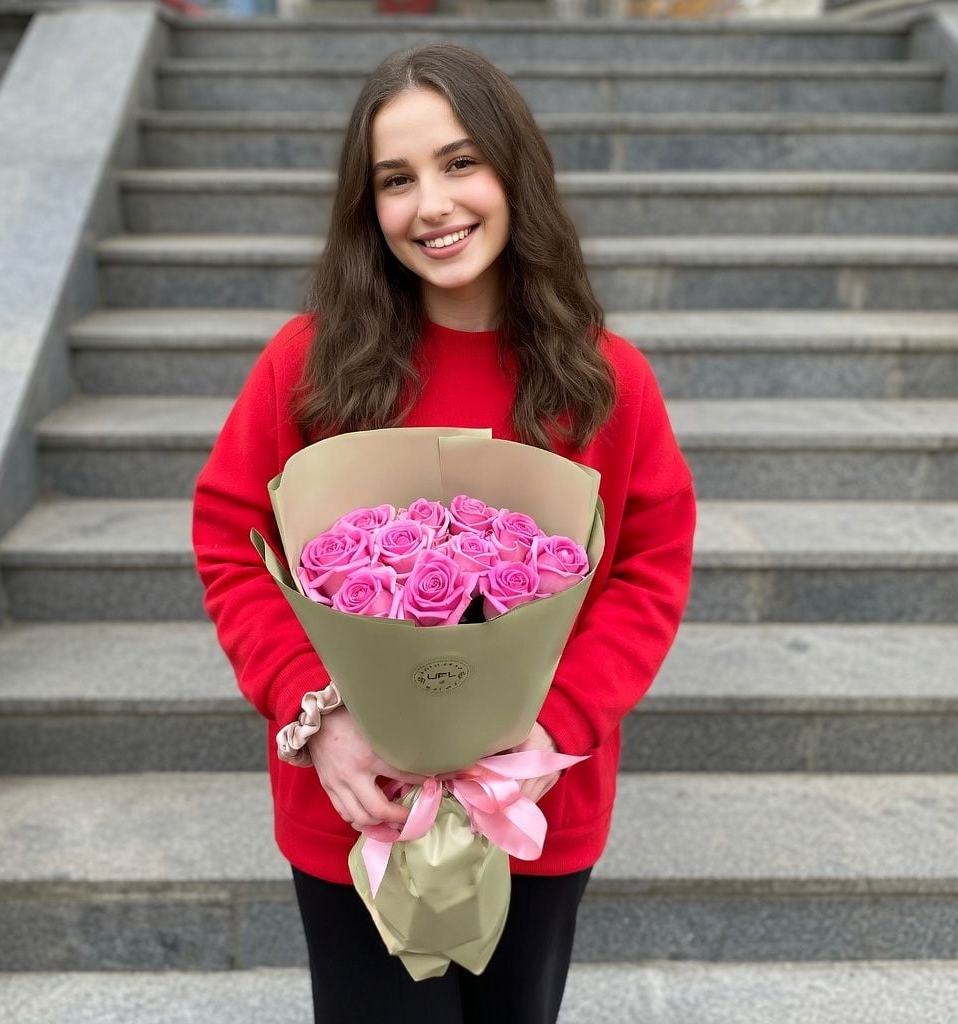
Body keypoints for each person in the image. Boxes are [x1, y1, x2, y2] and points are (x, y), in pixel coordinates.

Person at [192, 43, 696, 1024]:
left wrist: (547, 732)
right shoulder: (309, 364)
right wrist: (316, 712)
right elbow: (230, 544)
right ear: (365, 207)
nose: (431, 205)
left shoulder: (607, 379)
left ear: (514, 171)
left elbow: (648, 569)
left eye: (460, 162)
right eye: (395, 179)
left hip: (535, 806)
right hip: (357, 806)